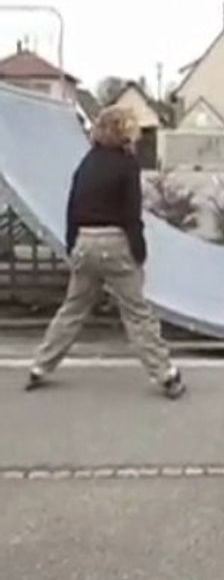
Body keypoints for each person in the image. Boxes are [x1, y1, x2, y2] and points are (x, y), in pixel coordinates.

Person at [25, 106, 186, 399]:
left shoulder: (86, 163)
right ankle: (166, 375)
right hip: (115, 243)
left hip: (85, 242)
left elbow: (72, 208)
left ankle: (40, 366)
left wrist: (72, 246)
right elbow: (131, 214)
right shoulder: (127, 164)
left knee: (73, 308)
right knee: (137, 313)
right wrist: (138, 252)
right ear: (125, 131)